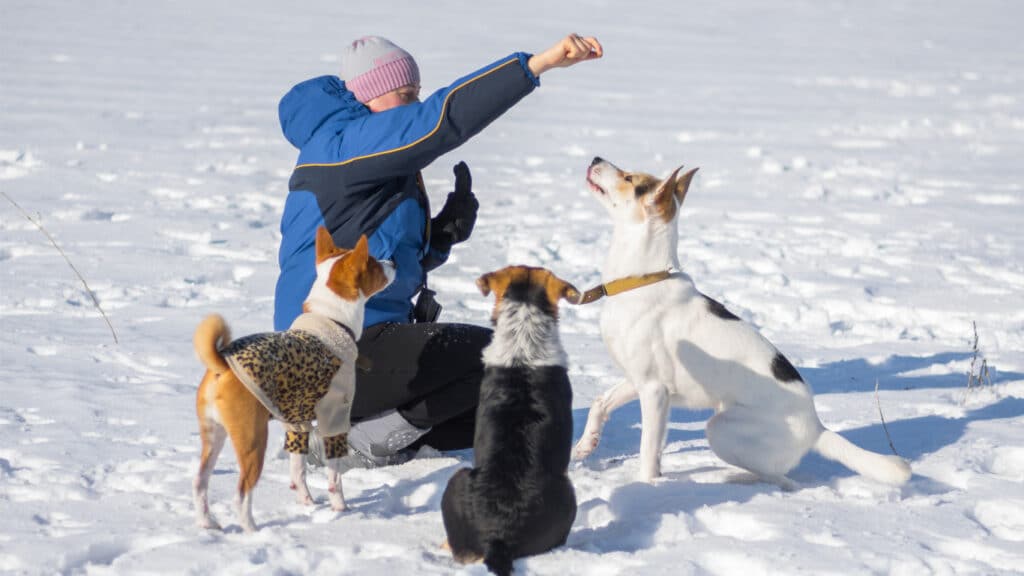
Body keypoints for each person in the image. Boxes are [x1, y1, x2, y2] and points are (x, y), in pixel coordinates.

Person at [274, 33, 603, 467]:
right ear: (367, 97)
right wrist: (535, 66)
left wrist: (442, 233)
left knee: (506, 408)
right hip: (327, 354)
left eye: (416, 93)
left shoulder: (368, 156)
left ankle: (375, 432)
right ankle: (350, 441)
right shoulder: (344, 144)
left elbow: (387, 262)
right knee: (499, 356)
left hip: (364, 345)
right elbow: (439, 121)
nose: (412, 104)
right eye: (404, 95)